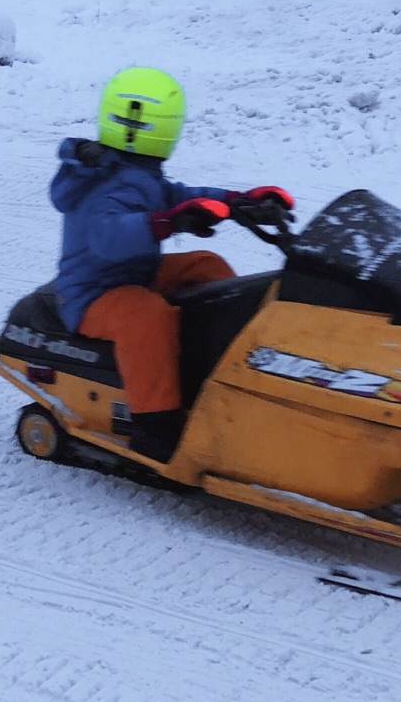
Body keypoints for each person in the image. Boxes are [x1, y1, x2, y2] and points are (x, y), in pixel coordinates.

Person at [50, 67, 294, 462]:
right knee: (145, 315)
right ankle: (154, 426)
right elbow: (108, 237)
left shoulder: (133, 170)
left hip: (135, 275)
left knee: (207, 266)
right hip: (92, 293)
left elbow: (177, 194)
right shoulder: (99, 180)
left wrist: (238, 201)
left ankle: (225, 366)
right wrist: (169, 221)